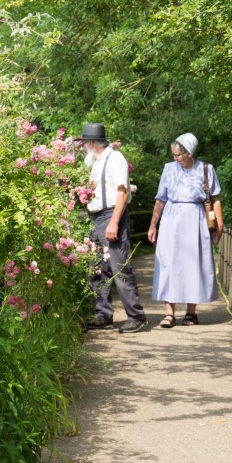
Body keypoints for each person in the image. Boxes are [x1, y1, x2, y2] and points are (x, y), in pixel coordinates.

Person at [146, 133, 223, 328]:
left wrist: (219, 224)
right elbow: (160, 198)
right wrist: (153, 224)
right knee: (169, 263)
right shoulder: (169, 169)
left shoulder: (206, 169)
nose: (175, 158)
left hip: (195, 219)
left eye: (178, 155)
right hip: (172, 219)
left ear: (189, 153)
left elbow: (215, 198)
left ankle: (191, 312)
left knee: (193, 263)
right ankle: (169, 313)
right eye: (173, 155)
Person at [81, 123, 147, 333]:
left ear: (92, 143)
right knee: (97, 268)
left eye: (84, 144)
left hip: (111, 215)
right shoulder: (96, 162)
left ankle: (136, 316)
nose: (82, 148)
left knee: (120, 267)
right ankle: (103, 315)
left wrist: (114, 222)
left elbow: (123, 192)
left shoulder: (114, 158)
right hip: (96, 217)